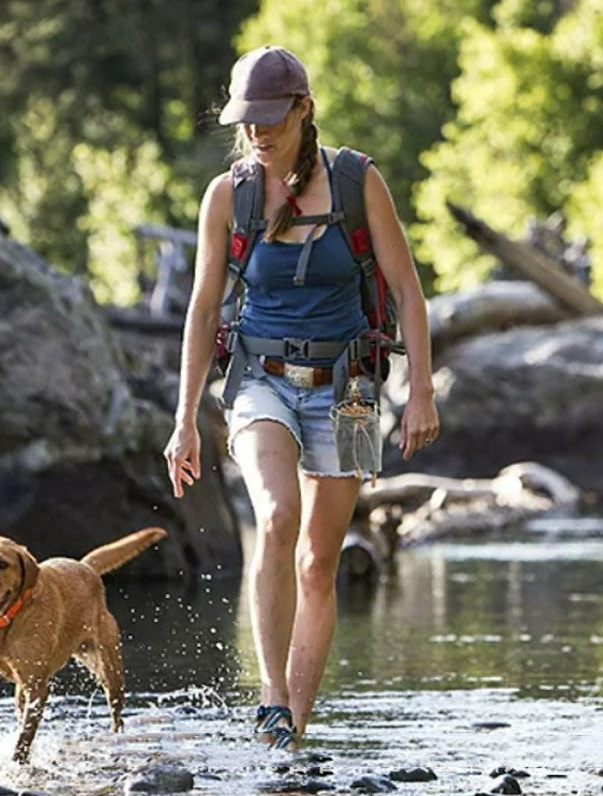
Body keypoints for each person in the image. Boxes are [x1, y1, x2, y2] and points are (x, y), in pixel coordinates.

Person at [163, 45, 439, 750]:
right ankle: (272, 697)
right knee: (278, 515)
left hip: (351, 391)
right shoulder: (227, 196)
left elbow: (407, 292)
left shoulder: (357, 182)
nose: (256, 132)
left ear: (303, 109)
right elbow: (203, 309)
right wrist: (185, 418)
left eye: (270, 118)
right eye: (246, 120)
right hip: (260, 380)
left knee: (319, 563)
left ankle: (290, 735)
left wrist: (421, 392)